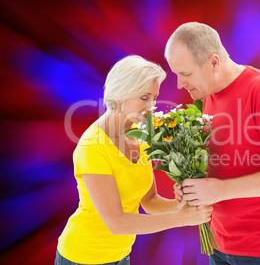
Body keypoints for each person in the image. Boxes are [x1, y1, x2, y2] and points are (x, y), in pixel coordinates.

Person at [165, 22, 260, 265]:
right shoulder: (208, 93)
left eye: (186, 74)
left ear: (213, 63)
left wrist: (219, 190)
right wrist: (192, 187)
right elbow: (227, 160)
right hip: (220, 242)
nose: (180, 84)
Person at [55, 55, 212, 265]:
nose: (152, 106)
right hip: (83, 257)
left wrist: (182, 205)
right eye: (144, 97)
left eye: (155, 97)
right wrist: (181, 219)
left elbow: (149, 201)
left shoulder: (139, 136)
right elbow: (117, 223)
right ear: (120, 95)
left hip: (121, 256)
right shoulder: (93, 146)